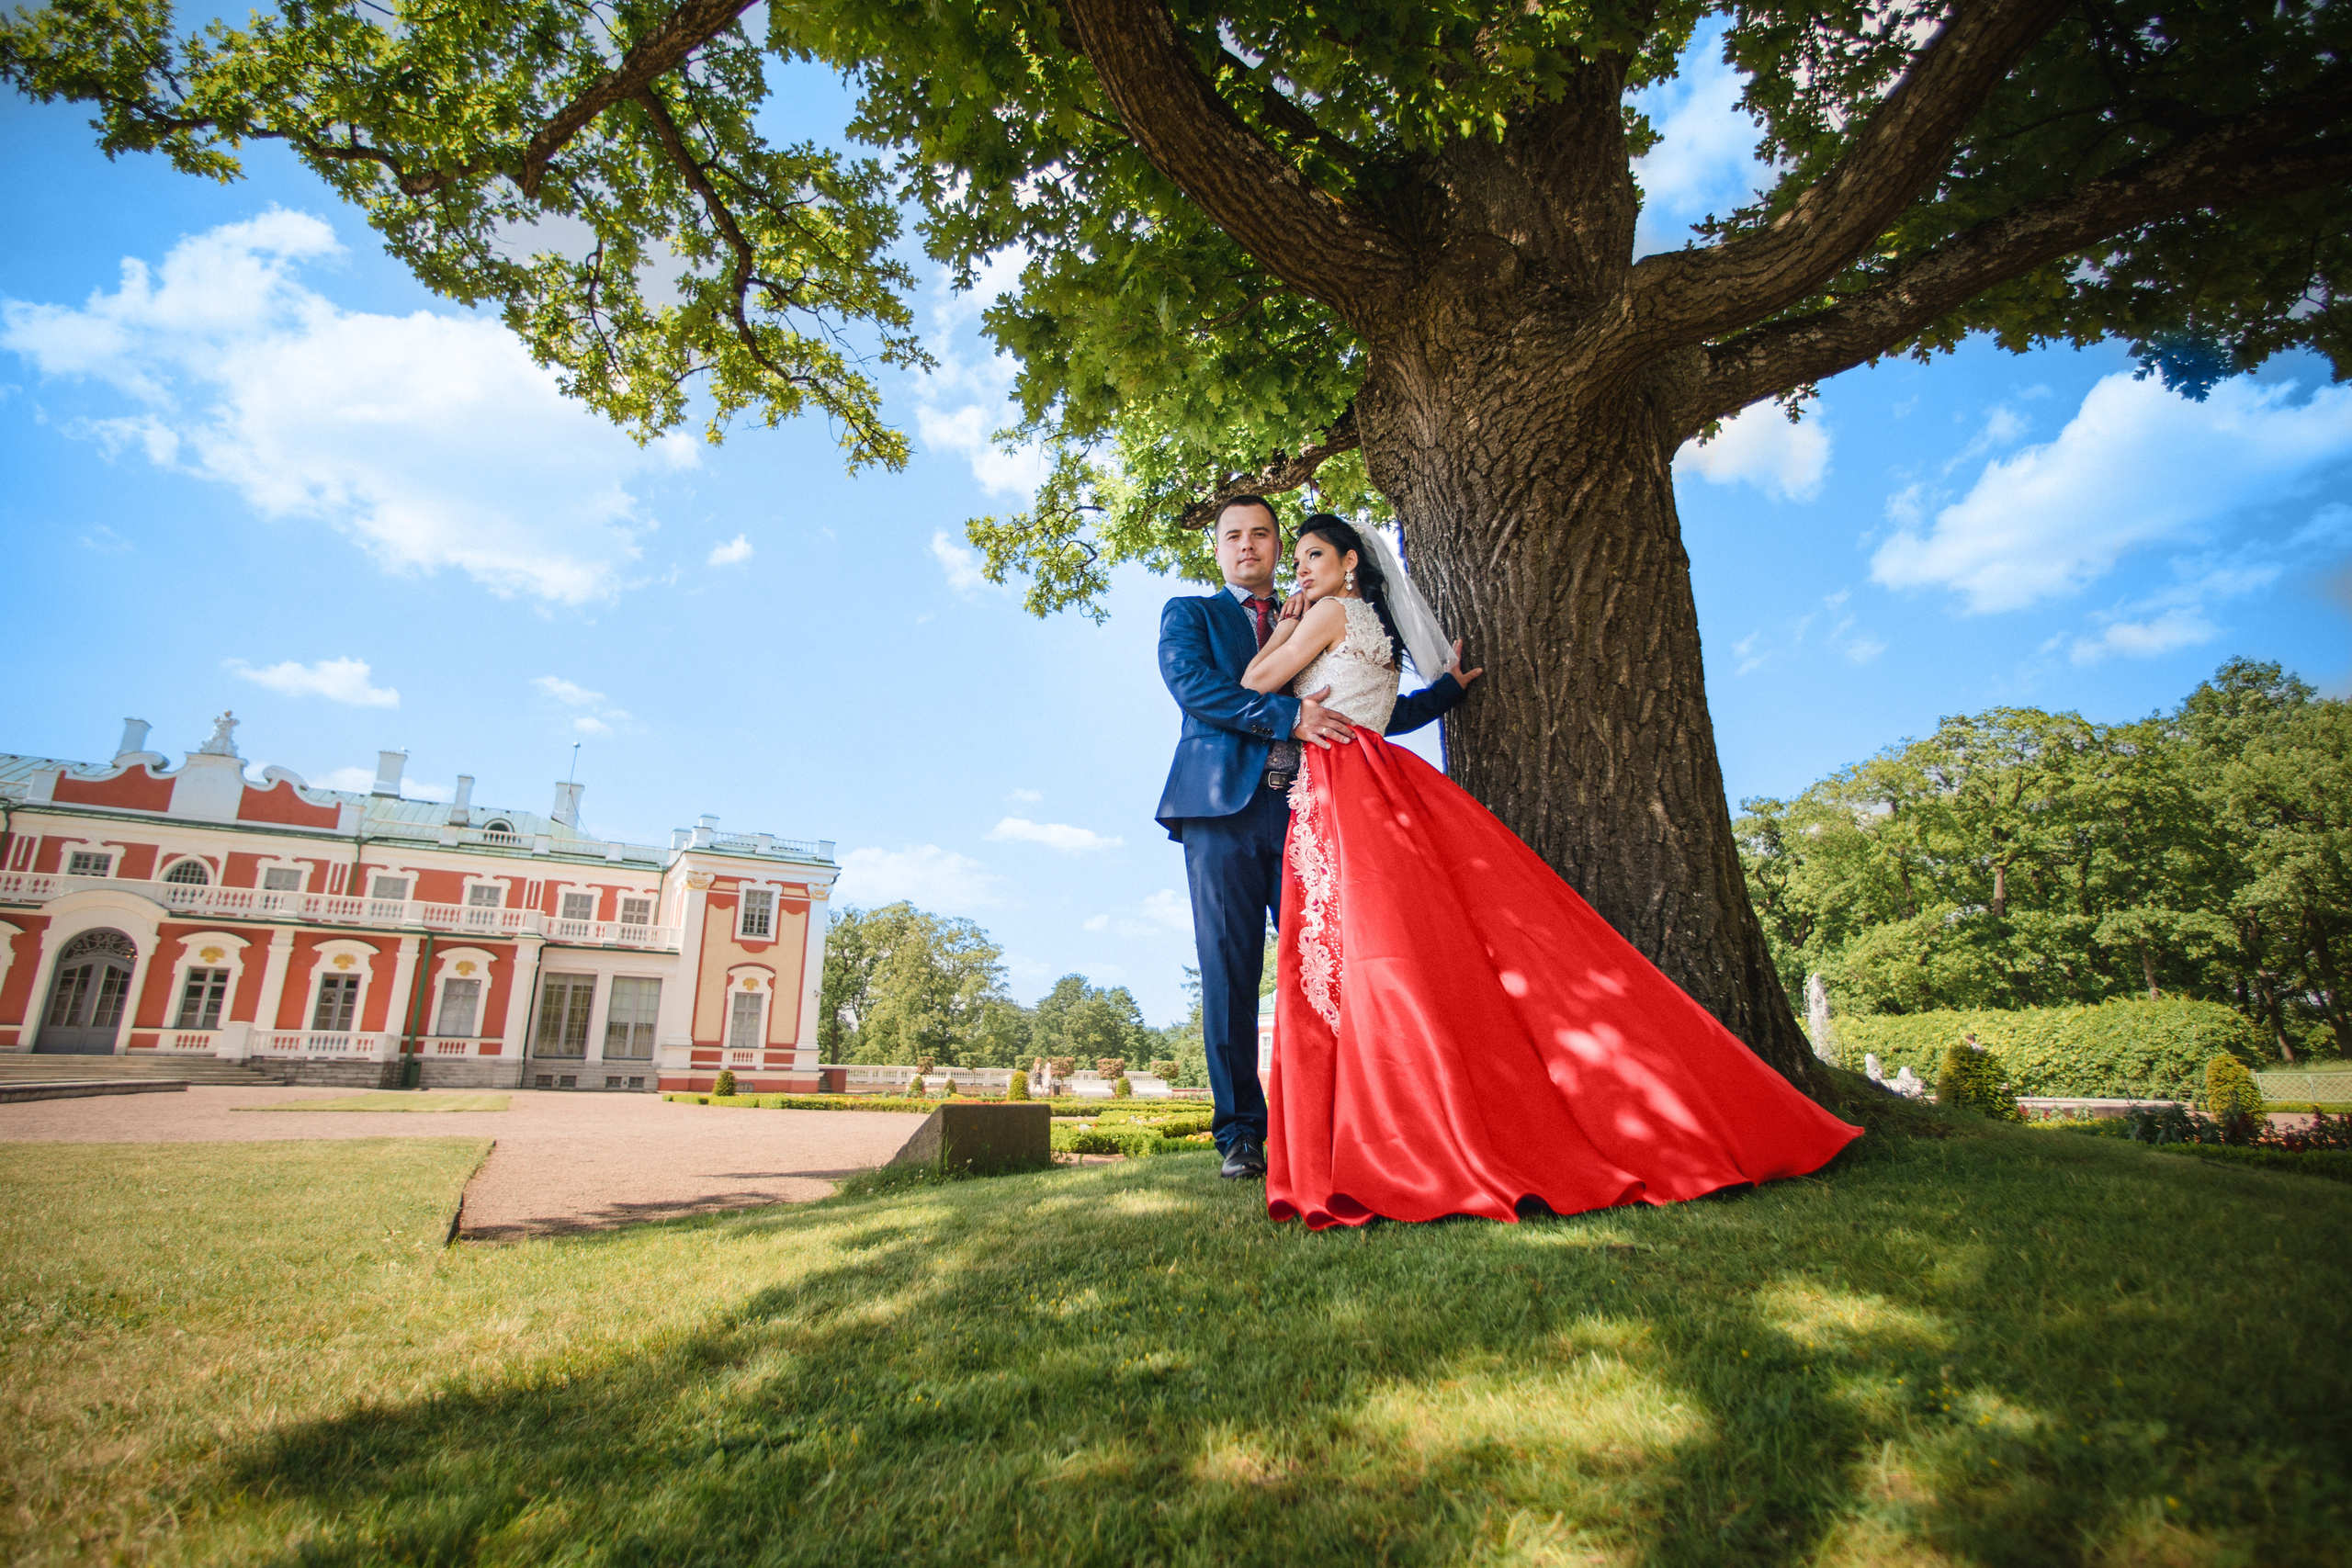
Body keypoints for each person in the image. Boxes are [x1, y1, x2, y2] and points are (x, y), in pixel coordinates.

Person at [1239, 513, 1862, 1227]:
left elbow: (1258, 680)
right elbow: (1382, 710)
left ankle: (1388, 1132)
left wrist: (1286, 626)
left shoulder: (1324, 613)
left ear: (1350, 561)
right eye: (1300, 560)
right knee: (1397, 957)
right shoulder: (1372, 626)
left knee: (1361, 962)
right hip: (1380, 778)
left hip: (1343, 787)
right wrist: (1448, 692)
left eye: (1314, 555)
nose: (1301, 568)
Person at [1156, 496, 1472, 1179]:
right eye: (1233, 535)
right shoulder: (1192, 614)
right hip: (1221, 813)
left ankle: (1341, 1116)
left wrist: (1445, 693)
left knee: (1327, 967)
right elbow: (1196, 689)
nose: (1248, 545)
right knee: (1230, 975)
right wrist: (1288, 715)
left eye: (1262, 534)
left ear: (1279, 545)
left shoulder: (1323, 608)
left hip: (1309, 813)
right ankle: (1240, 1134)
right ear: (1218, 548)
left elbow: (1359, 706)